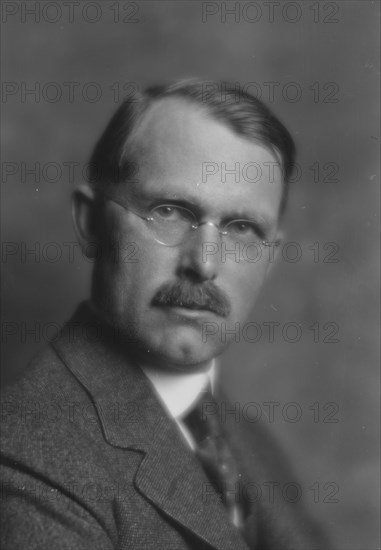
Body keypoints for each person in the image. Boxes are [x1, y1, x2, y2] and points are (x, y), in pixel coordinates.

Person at [0, 80, 328, 549]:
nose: (205, 263)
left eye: (241, 228)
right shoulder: (26, 453)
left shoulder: (250, 443)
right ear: (91, 223)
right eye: (170, 211)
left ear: (271, 257)